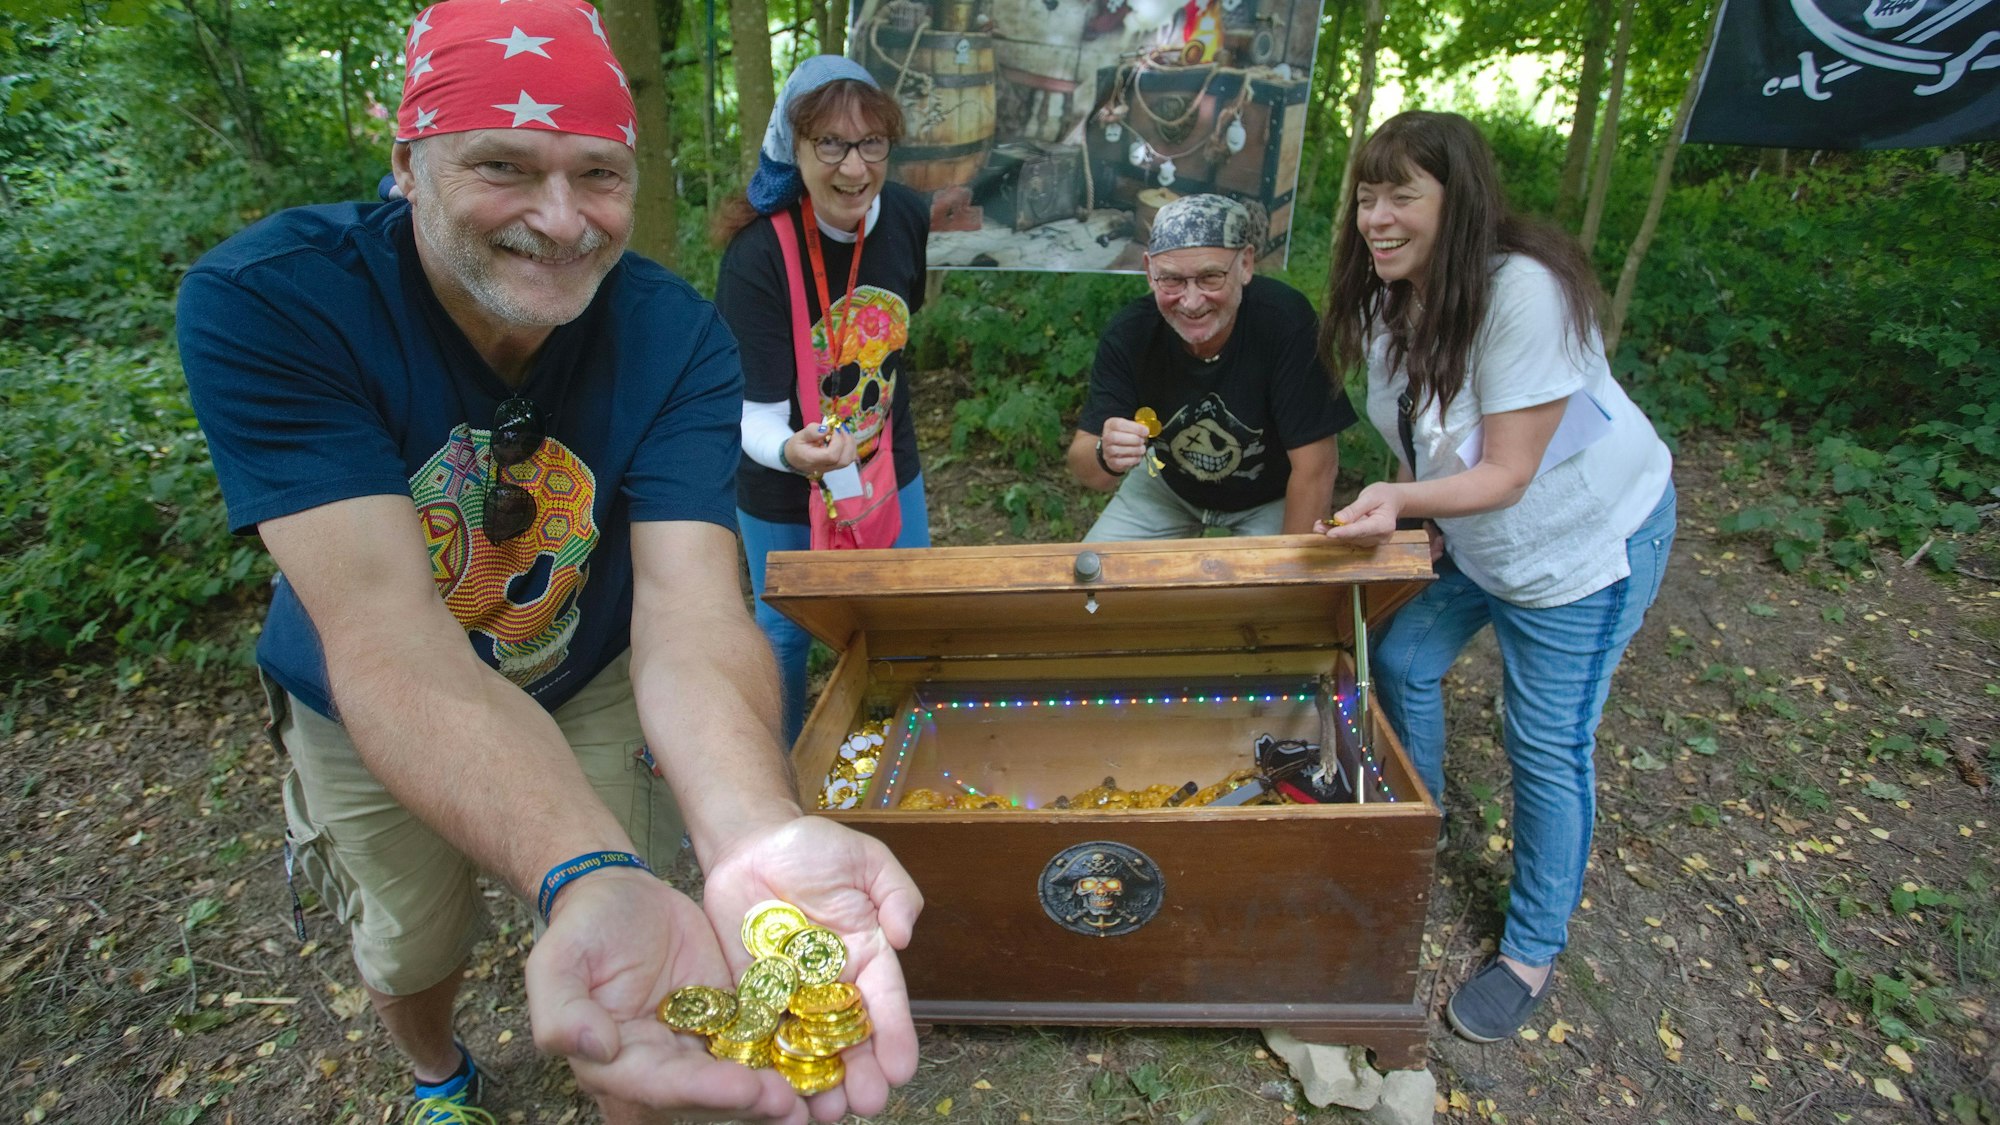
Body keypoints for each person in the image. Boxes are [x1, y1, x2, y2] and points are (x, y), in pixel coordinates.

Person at [176, 4, 921, 1122]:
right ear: (407, 163)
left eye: (599, 174)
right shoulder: (278, 302)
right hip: (366, 691)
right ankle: (438, 1068)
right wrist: (578, 864)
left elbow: (691, 611)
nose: (562, 219)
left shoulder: (675, 335)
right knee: (410, 936)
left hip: (591, 663)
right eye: (504, 166)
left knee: (633, 938)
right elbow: (388, 636)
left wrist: (751, 834)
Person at [1316, 111, 1676, 1043]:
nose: (1376, 218)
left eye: (1402, 195)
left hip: (1575, 548)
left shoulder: (1526, 294)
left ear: (1459, 199)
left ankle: (1531, 949)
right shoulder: (1390, 298)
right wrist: (1420, 514)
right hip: (1479, 537)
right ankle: (1418, 830)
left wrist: (1401, 500)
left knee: (1545, 741)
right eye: (1367, 195)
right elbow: (1425, 435)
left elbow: (1510, 470)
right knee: (1402, 661)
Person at [714, 57, 932, 747]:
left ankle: (895, 759)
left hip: (883, 460)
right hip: (782, 476)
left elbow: (895, 334)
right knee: (786, 634)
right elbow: (751, 415)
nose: (854, 168)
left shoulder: (907, 216)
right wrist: (792, 451)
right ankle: (775, 777)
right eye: (831, 144)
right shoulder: (757, 258)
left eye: (871, 143)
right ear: (794, 149)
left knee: (906, 608)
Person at [1067, 193, 1356, 541]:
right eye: (1171, 279)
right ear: (1149, 272)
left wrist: (1288, 567)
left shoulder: (1286, 323)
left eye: (1210, 277)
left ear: (1245, 264)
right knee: (1094, 569)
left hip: (1270, 496)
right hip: (1166, 486)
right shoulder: (1130, 333)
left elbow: (1316, 470)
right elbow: (1086, 468)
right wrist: (1105, 453)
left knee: (1276, 577)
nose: (1191, 302)